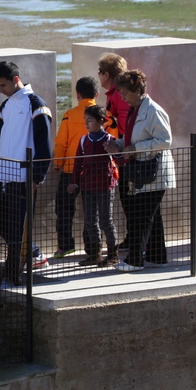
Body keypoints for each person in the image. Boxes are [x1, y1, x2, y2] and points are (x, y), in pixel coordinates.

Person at [0, 61, 53, 285]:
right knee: (1, 225)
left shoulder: (36, 105)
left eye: (3, 85)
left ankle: (12, 276)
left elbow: (45, 147)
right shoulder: (4, 107)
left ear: (16, 80)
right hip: (2, 178)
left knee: (18, 231)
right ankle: (34, 254)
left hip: (24, 180)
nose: (0, 90)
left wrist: (37, 177)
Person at [111, 70, 174, 271]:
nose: (122, 98)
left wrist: (135, 149)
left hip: (154, 172)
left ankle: (134, 260)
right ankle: (157, 256)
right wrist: (118, 145)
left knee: (142, 216)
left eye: (125, 94)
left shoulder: (153, 111)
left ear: (138, 91)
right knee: (151, 216)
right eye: (120, 94)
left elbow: (165, 141)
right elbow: (133, 139)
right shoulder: (136, 110)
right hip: (145, 171)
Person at [51, 77, 99, 258]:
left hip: (71, 170)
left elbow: (61, 142)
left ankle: (65, 245)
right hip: (95, 171)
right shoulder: (105, 116)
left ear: (77, 94)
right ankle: (92, 247)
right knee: (92, 211)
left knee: (64, 209)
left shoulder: (69, 115)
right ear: (97, 94)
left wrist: (58, 163)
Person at [69, 105, 119, 266]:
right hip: (88, 186)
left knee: (106, 220)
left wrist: (114, 151)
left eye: (89, 120)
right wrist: (74, 182)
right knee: (90, 220)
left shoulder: (110, 140)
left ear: (101, 121)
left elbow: (119, 158)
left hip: (105, 186)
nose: (86, 123)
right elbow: (78, 163)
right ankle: (95, 254)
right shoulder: (84, 140)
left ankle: (113, 254)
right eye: (85, 120)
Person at [98, 52, 134, 249]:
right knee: (127, 200)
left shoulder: (119, 95)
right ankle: (133, 238)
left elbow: (125, 124)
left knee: (131, 201)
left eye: (100, 72)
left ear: (106, 75)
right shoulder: (116, 94)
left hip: (126, 155)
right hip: (122, 155)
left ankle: (136, 240)